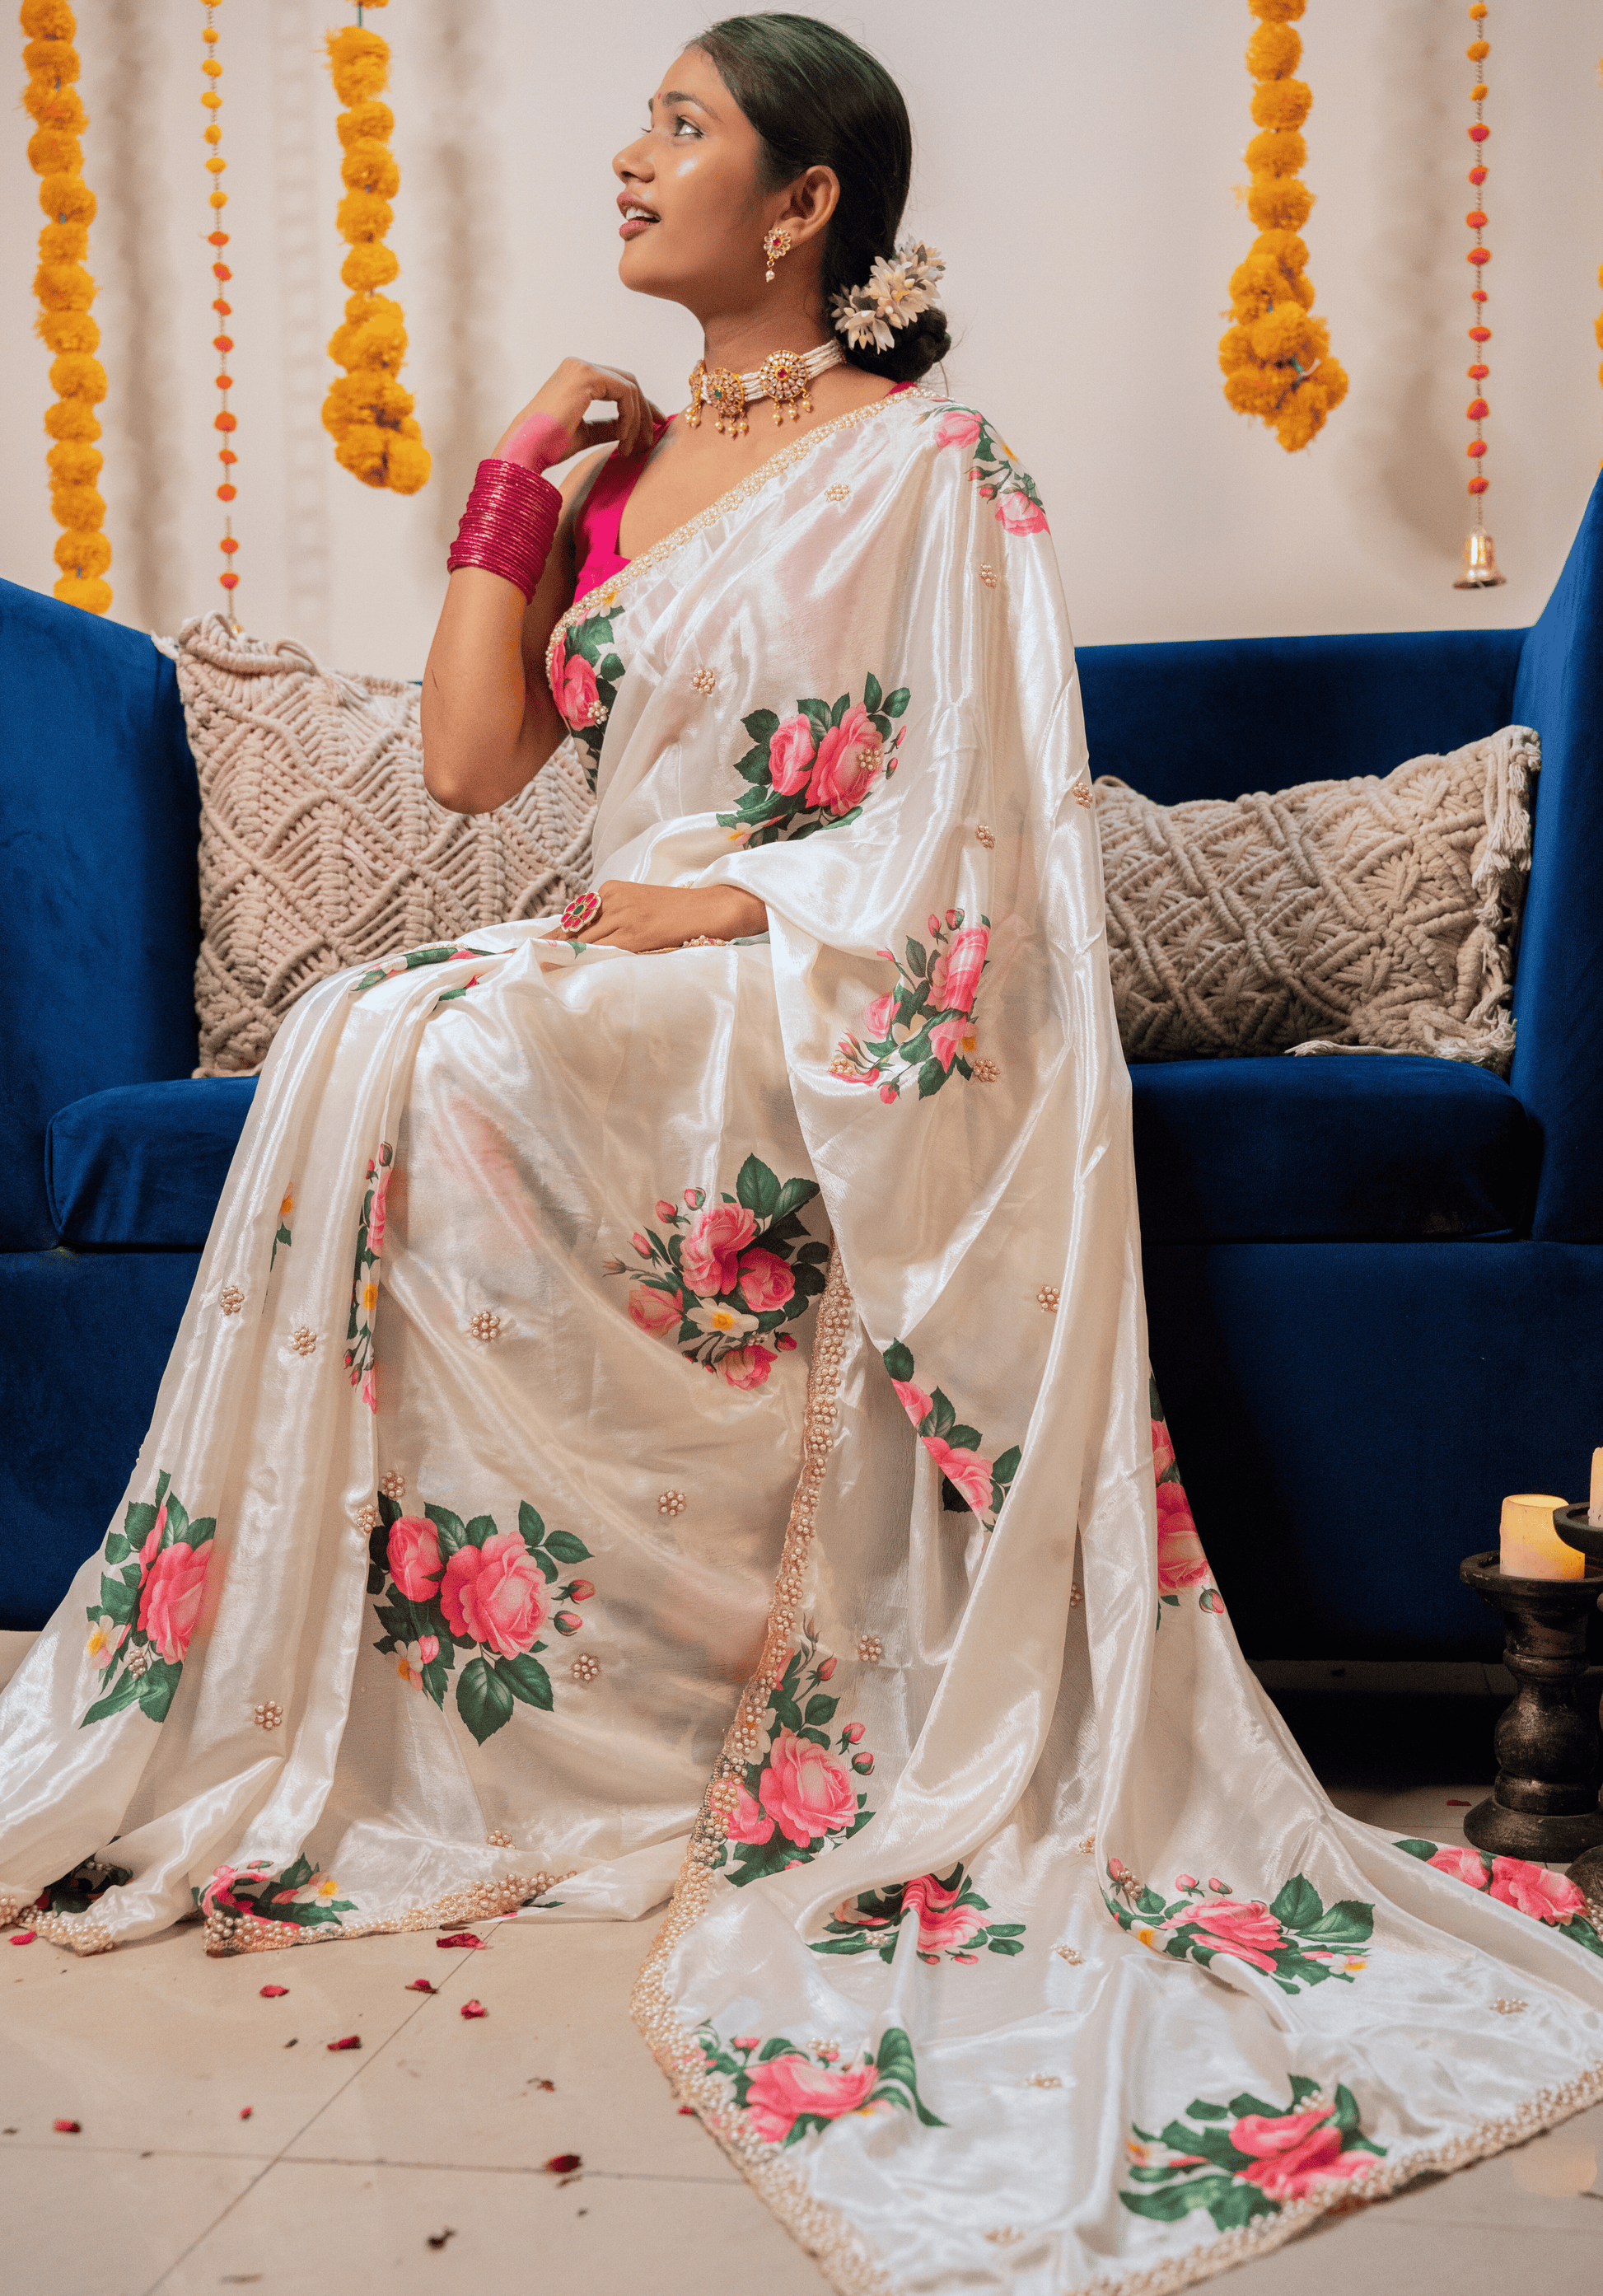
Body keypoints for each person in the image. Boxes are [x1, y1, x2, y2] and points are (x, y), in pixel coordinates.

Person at [2, 14, 1601, 2291]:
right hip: (615, 964)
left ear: (804, 203)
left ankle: (666, 1704)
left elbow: (985, 830)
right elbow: (470, 770)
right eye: (638, 120)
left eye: (681, 128)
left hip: (820, 985)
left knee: (436, 1043)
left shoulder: (933, 466)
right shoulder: (618, 477)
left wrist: (749, 899)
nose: (626, 159)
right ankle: (507, 1719)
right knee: (390, 1026)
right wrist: (513, 480)